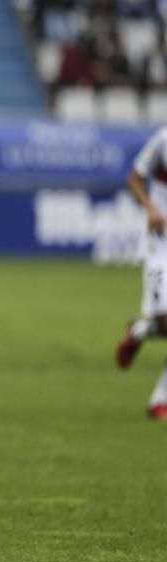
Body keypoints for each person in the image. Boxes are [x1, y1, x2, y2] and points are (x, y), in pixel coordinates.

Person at [117, 128, 167, 420]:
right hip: (161, 244)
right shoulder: (163, 140)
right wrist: (150, 210)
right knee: (164, 322)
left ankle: (160, 400)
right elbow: (134, 179)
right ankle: (138, 331)